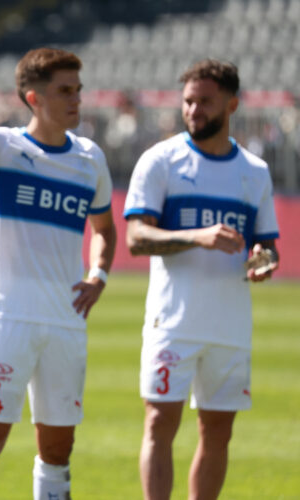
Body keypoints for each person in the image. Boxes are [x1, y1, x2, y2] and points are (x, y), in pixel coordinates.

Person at [0, 28, 117, 500]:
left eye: (78, 90)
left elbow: (104, 228)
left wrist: (98, 275)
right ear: (33, 98)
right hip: (9, 316)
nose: (76, 99)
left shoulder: (90, 160)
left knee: (59, 447)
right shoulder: (0, 148)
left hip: (66, 319)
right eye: (65, 90)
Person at [123, 59, 280, 500]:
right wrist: (198, 236)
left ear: (231, 104)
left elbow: (266, 244)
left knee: (218, 432)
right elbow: (136, 238)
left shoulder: (255, 171)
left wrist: (262, 260)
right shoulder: (161, 161)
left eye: (205, 102)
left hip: (229, 326)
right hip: (172, 323)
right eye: (188, 101)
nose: (194, 110)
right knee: (159, 424)